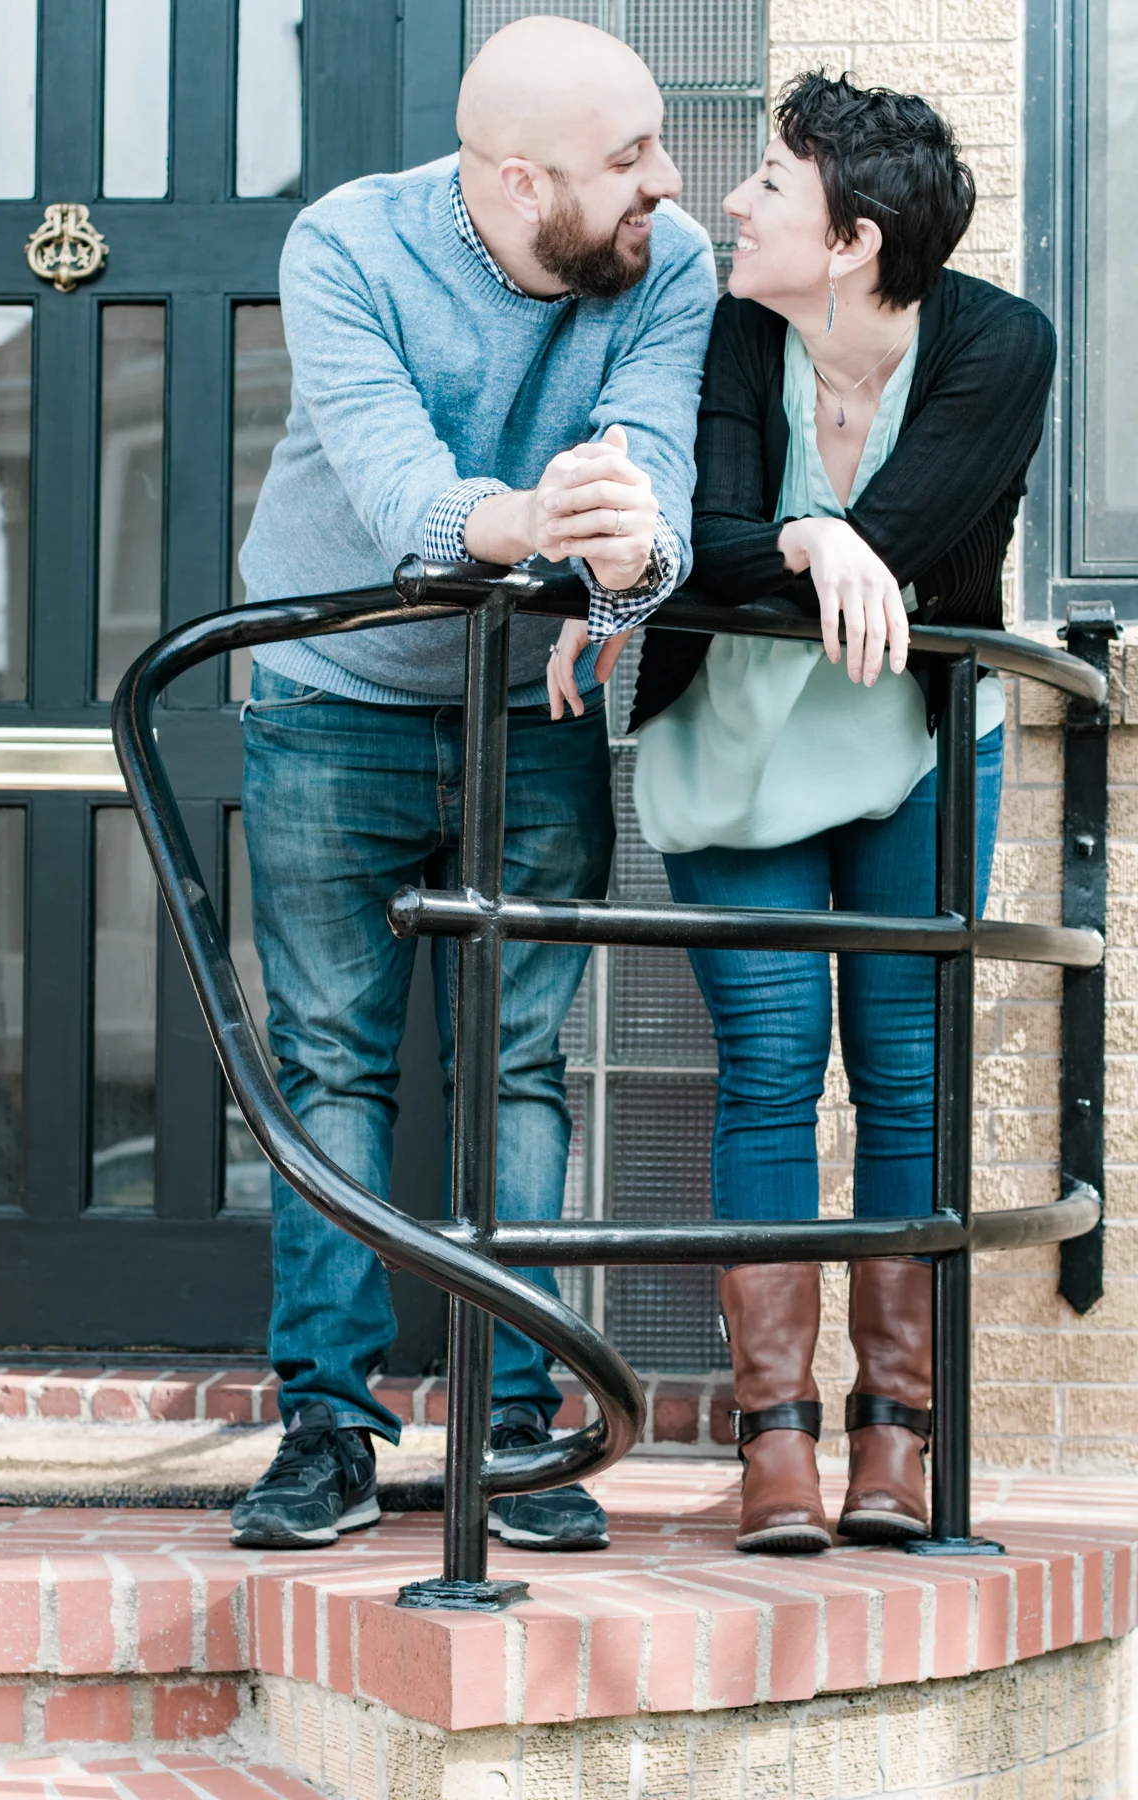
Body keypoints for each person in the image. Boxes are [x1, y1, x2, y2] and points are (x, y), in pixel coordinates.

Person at [229, 15, 717, 1551]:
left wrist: (630, 558)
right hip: (332, 700)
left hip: (533, 709)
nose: (667, 181)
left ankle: (510, 1421)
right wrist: (537, 521)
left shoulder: (669, 260)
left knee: (520, 1064)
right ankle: (327, 1425)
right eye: (629, 158)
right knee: (331, 1063)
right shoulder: (346, 246)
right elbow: (403, 497)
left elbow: (657, 473)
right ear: (519, 184)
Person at [550, 71, 1056, 1552]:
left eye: (769, 182)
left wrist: (830, 540)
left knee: (904, 1078)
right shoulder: (724, 332)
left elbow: (914, 537)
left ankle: (896, 1439)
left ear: (852, 239)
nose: (731, 202)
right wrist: (806, 539)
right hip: (736, 751)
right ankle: (775, 1443)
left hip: (911, 750)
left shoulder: (998, 344)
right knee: (770, 1072)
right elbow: (696, 547)